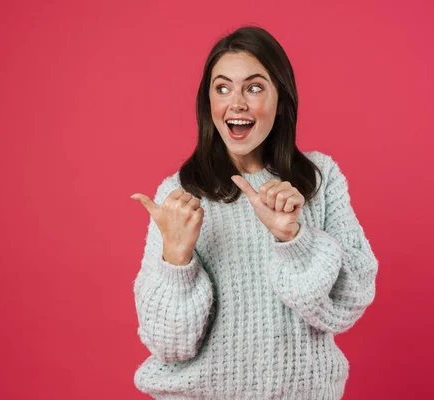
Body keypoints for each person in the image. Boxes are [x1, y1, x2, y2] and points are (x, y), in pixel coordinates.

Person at [130, 25, 378, 400]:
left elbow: (346, 304)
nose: (237, 103)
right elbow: (169, 346)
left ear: (281, 98)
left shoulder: (319, 179)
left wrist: (293, 239)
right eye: (223, 88)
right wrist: (176, 261)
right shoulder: (179, 195)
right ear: (208, 102)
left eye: (255, 87)